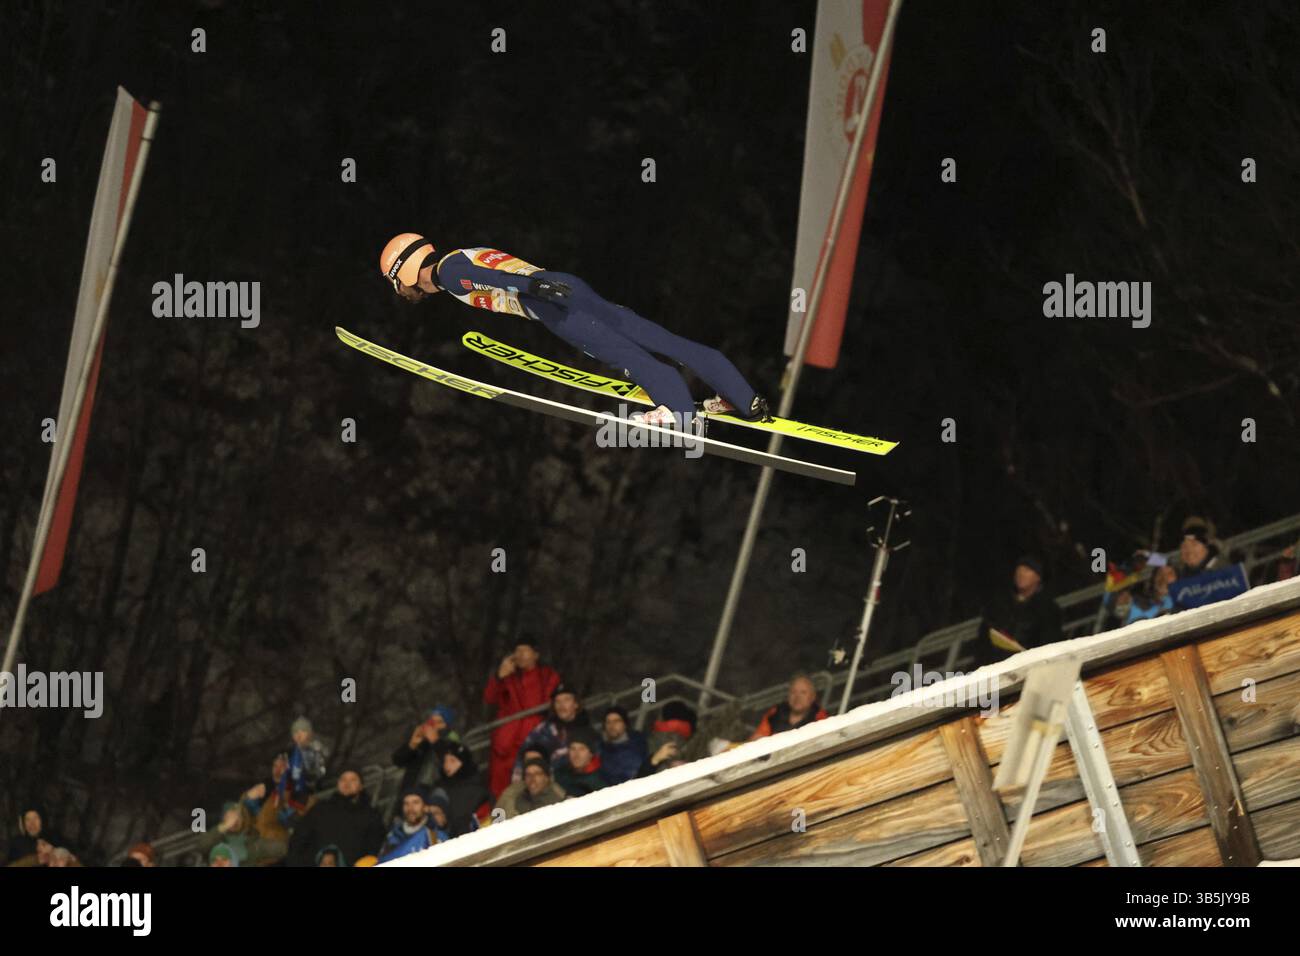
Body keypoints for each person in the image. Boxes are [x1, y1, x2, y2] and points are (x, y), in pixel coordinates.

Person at [378, 235, 770, 428]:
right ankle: (743, 398)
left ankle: (679, 410)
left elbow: (488, 276)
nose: (404, 294)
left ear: (404, 273)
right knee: (660, 339)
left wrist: (537, 290)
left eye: (398, 285)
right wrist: (543, 284)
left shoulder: (447, 273)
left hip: (549, 301)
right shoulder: (456, 257)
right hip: (563, 285)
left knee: (623, 354)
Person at [483, 640, 559, 797]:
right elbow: (489, 699)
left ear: (536, 655)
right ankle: (501, 820)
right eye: (517, 651)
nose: (520, 655)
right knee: (500, 793)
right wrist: (498, 676)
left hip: (532, 741)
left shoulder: (547, 675)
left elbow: (552, 703)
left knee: (532, 785)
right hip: (504, 745)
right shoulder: (507, 678)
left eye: (525, 650)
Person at [286, 768, 386, 867]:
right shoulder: (320, 809)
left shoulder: (371, 816)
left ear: (361, 786)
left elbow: (374, 849)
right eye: (343, 779)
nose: (347, 783)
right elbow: (298, 840)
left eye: (353, 780)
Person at [976, 556, 1064, 665]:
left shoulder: (1047, 608)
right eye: (1019, 569)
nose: (1021, 573)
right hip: (995, 665)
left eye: (1027, 570)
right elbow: (985, 634)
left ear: (1038, 577)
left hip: (1028, 666)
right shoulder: (1000, 601)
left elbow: (1049, 641)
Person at [511, 684, 591, 783]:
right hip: (544, 784)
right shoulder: (544, 730)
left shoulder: (587, 730)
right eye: (558, 702)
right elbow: (522, 758)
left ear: (576, 704)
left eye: (566, 700)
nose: (562, 706)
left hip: (578, 782)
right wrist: (518, 784)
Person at [392, 705, 461, 794]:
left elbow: (454, 765)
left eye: (439, 722)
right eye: (432, 721)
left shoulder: (451, 739)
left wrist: (436, 742)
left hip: (433, 795)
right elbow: (397, 761)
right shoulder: (423, 743)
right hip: (410, 795)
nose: (434, 725)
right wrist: (411, 745)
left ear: (447, 726)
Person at [433, 741, 493, 838]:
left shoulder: (478, 790)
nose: (447, 765)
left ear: (464, 762)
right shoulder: (440, 788)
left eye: (452, 760)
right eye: (445, 761)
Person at [378, 787, 447, 862]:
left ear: (425, 807)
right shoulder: (393, 836)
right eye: (406, 803)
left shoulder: (434, 835)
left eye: (415, 802)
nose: (410, 808)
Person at [750, 675, 828, 740]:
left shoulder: (820, 719)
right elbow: (756, 739)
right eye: (793, 692)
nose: (797, 697)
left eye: (803, 693)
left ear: (812, 697)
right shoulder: (774, 714)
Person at [495, 754, 567, 820]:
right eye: (528, 774)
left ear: (546, 777)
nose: (532, 779)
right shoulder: (513, 794)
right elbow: (497, 815)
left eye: (537, 774)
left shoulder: (558, 800)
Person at [553, 726, 610, 797]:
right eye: (572, 748)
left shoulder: (602, 777)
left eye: (582, 749)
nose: (576, 755)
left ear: (591, 753)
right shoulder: (561, 773)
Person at [598, 706, 648, 785]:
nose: (612, 725)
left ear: (625, 724)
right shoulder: (602, 752)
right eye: (608, 722)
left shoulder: (640, 743)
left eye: (616, 721)